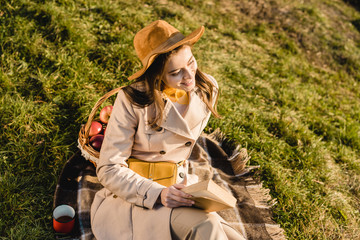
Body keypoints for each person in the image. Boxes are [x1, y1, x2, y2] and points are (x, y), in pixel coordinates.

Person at [90, 20, 245, 240]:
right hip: (138, 195)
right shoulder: (133, 100)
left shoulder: (207, 89)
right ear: (157, 76)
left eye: (191, 62)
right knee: (206, 227)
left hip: (180, 187)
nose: (189, 76)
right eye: (175, 73)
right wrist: (157, 193)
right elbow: (109, 168)